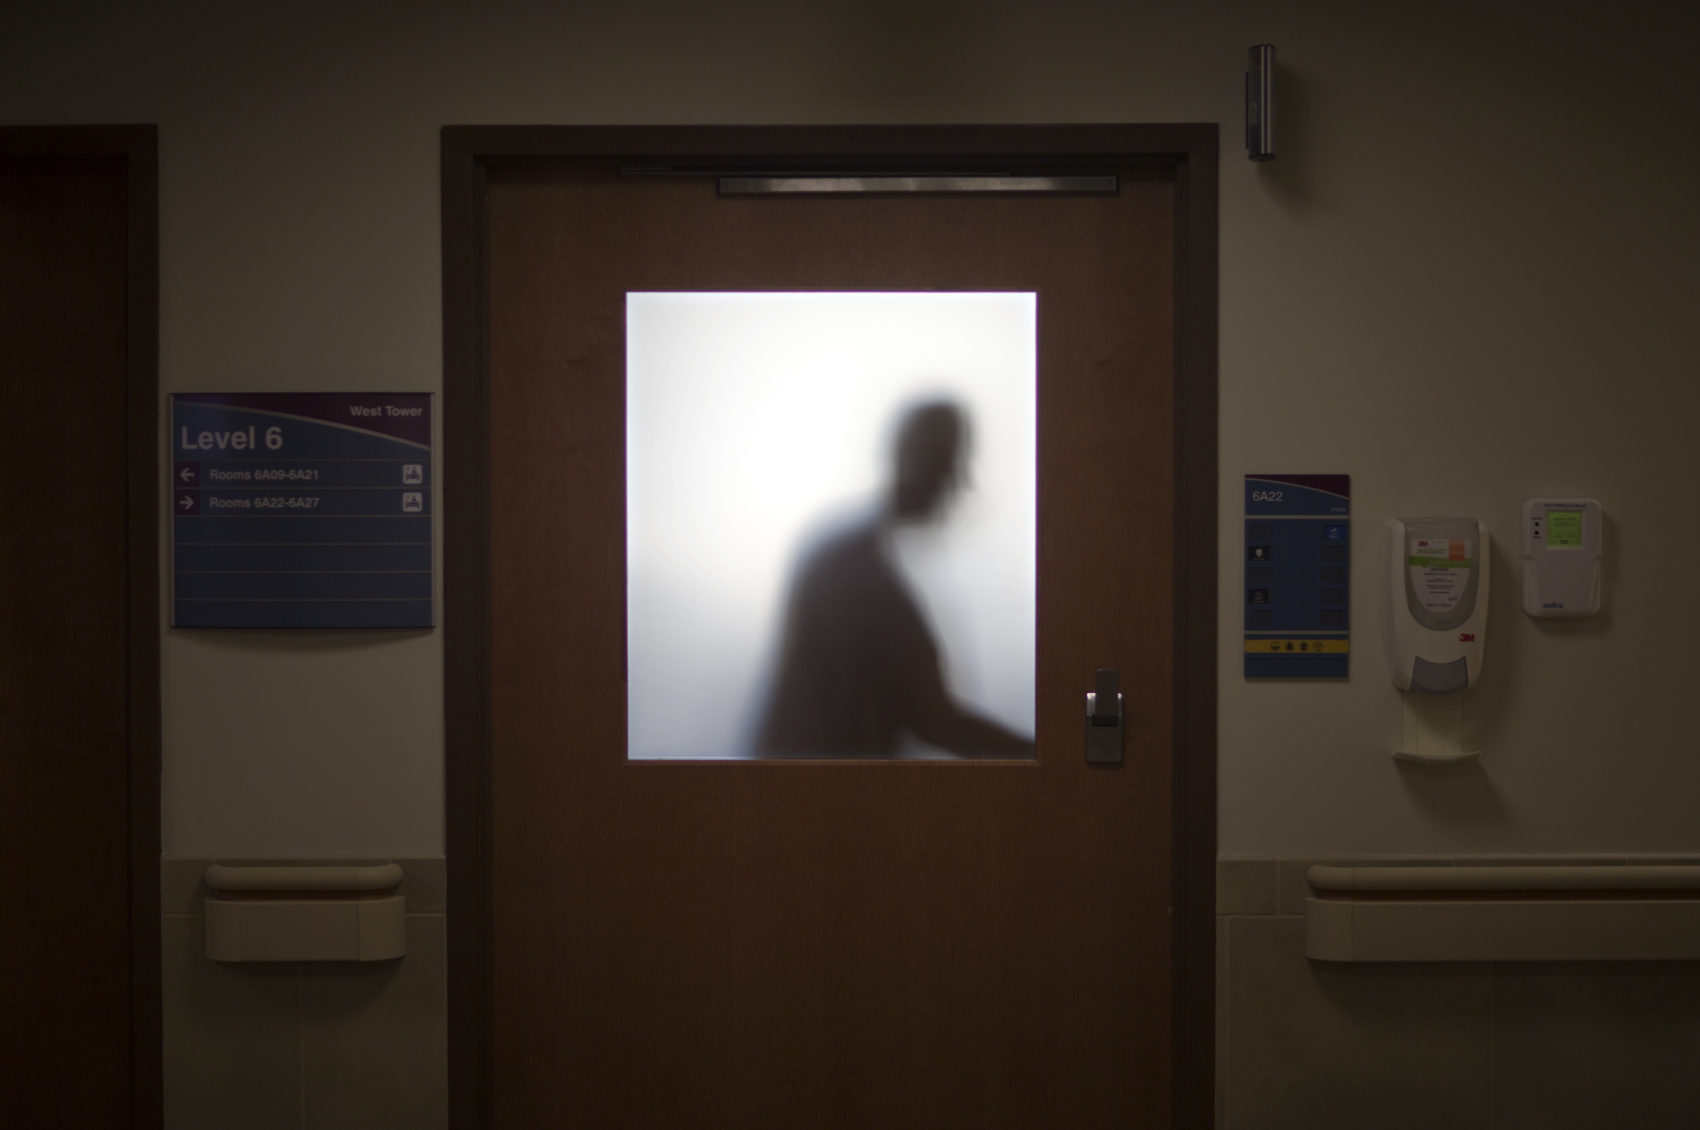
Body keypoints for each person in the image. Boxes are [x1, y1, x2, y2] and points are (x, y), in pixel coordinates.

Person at [752, 399, 1033, 758]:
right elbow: (933, 717)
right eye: (948, 463)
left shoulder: (844, 553)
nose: (959, 483)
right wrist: (1045, 757)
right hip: (812, 784)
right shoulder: (855, 570)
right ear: (919, 461)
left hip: (797, 779)